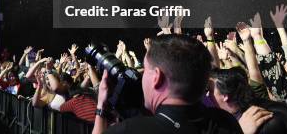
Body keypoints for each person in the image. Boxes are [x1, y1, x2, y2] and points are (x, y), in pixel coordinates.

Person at [93, 35, 243, 134]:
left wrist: (101, 108)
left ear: (156, 77)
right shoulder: (226, 122)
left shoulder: (129, 130)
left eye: (145, 70)